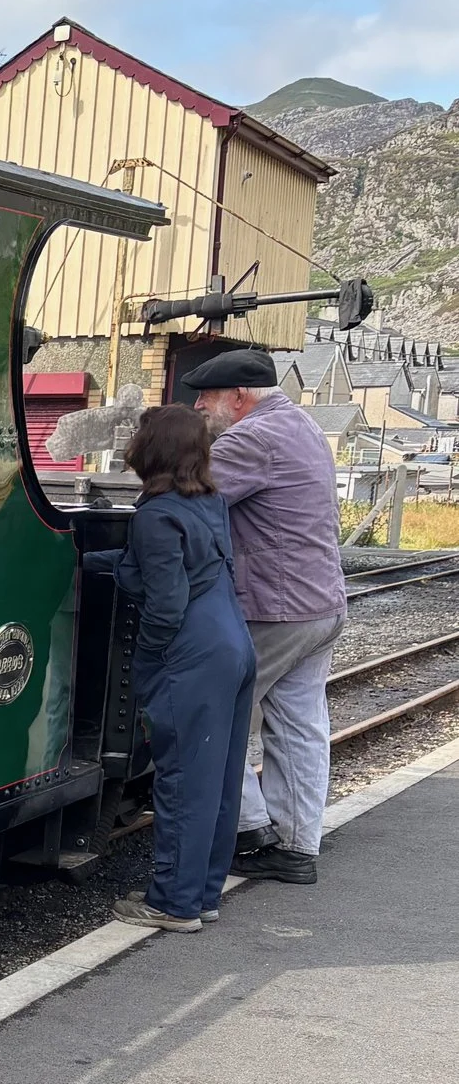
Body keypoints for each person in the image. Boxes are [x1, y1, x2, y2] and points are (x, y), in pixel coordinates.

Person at [86, 403, 256, 931]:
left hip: (193, 653)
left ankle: (173, 903)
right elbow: (184, 567)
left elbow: (166, 601)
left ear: (150, 450)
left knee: (182, 780)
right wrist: (100, 563)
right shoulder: (210, 501)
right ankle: (201, 894)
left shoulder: (156, 513)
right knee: (219, 778)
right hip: (233, 642)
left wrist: (153, 659)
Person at [185, 348, 347, 884]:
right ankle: (298, 848)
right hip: (319, 603)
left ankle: (250, 830)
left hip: (275, 609)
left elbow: (194, 497)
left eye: (205, 397)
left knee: (211, 715)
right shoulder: (300, 423)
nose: (199, 407)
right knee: (299, 726)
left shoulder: (251, 438)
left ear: (238, 397)